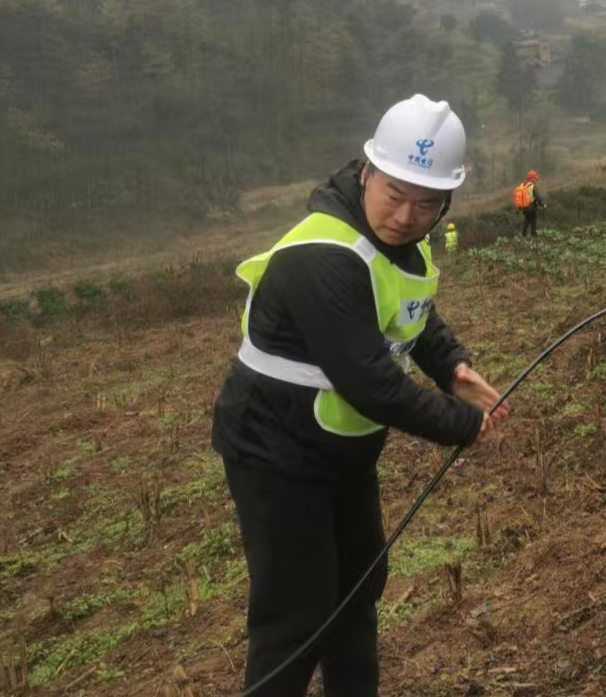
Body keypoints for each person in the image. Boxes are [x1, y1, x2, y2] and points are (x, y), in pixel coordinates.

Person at [211, 94, 509, 697]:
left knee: (356, 592)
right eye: (394, 194)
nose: (406, 216)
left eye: (427, 204)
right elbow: (372, 385)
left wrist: (453, 369)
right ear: (366, 171)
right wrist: (461, 424)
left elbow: (415, 315)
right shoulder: (322, 256)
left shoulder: (404, 242)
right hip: (275, 451)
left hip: (342, 454)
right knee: (296, 614)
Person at [513, 170, 545, 238]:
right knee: (533, 221)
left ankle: (524, 234)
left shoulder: (523, 185)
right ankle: (533, 235)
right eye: (535, 178)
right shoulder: (532, 186)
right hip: (532, 207)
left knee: (527, 221)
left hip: (524, 207)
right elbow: (537, 197)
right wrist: (542, 205)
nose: (536, 180)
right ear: (532, 178)